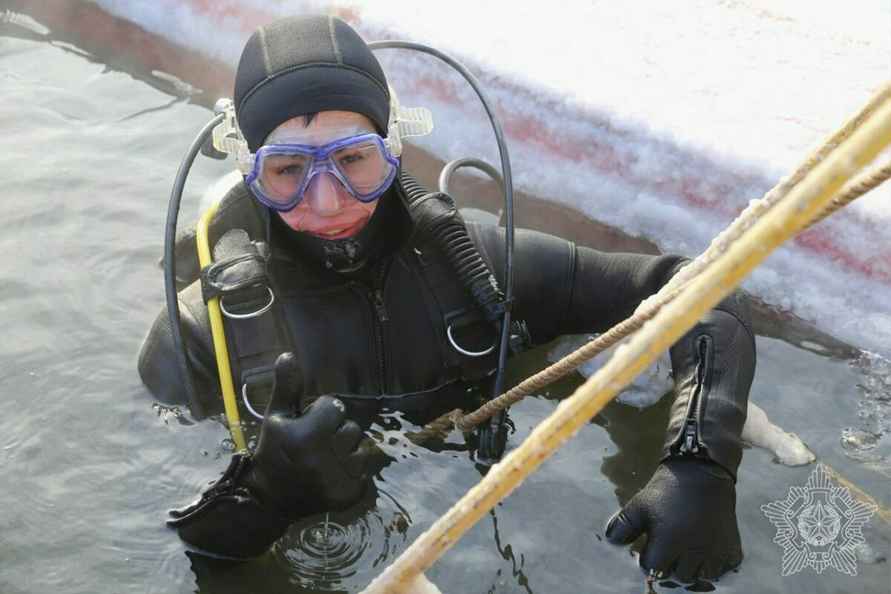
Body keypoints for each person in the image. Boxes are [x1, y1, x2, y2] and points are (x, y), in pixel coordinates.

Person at [138, 15, 756, 582]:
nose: (327, 201)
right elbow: (154, 546)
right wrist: (264, 497)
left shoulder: (480, 267)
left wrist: (699, 461)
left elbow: (703, 286)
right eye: (288, 170)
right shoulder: (197, 336)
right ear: (251, 171)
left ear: (393, 149)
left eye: (353, 159)